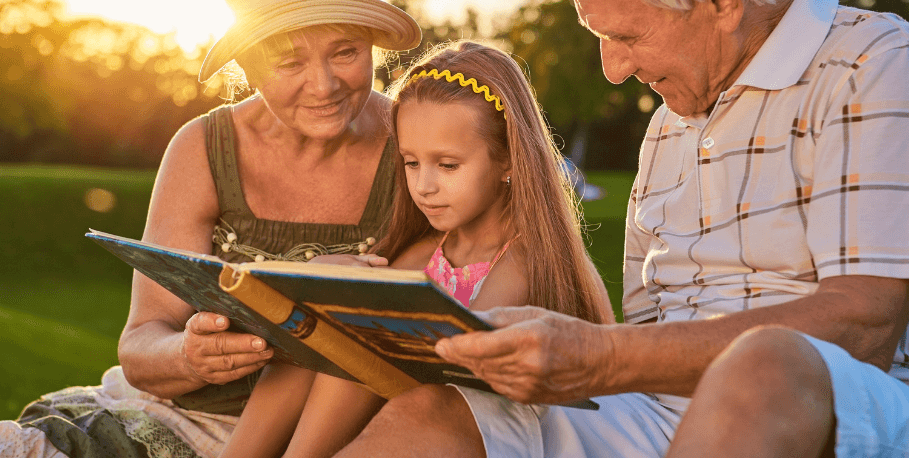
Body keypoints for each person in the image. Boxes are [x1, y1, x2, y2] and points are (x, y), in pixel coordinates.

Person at [335, 0, 909, 457]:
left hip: (872, 410)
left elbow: (864, 326)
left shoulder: (875, 63)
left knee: (761, 365)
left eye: (626, 35)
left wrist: (602, 357)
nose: (611, 68)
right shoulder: (667, 124)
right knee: (438, 415)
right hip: (660, 414)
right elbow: (648, 331)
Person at [0, 0, 421, 457]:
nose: (322, 84)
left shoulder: (417, 144)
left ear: (372, 44)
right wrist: (189, 356)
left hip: (334, 434)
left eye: (345, 52)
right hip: (179, 416)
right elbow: (141, 345)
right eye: (289, 62)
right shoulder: (204, 148)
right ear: (249, 66)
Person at [218, 40, 615, 458]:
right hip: (408, 418)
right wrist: (324, 279)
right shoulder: (428, 252)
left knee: (354, 345)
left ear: (509, 161)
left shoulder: (524, 263)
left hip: (488, 431)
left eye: (447, 166)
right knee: (310, 342)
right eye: (411, 163)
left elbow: (457, 377)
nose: (424, 186)